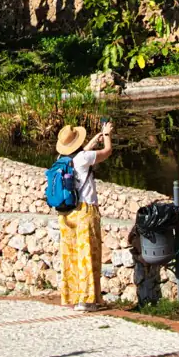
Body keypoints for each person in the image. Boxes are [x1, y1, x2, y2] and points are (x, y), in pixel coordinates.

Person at [54, 119, 111, 307]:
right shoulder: (84, 158)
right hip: (84, 210)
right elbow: (107, 152)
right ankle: (87, 301)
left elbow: (80, 155)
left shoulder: (60, 160)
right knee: (88, 255)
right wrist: (107, 135)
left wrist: (94, 140)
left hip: (66, 213)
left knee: (71, 255)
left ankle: (73, 297)